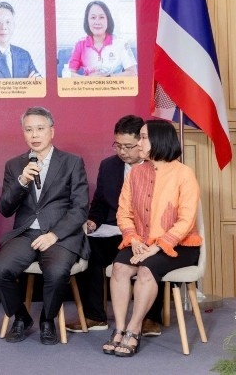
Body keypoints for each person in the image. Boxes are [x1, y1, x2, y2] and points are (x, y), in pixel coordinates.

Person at [0, 106, 89, 345]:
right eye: (28, 130)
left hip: (60, 235)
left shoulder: (71, 162)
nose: (34, 135)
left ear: (51, 131)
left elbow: (80, 208)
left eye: (40, 129)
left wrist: (54, 235)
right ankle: (21, 317)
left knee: (56, 272)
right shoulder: (15, 165)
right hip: (26, 233)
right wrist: (22, 181)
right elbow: (5, 209)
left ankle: (47, 319)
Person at [103, 120, 202, 357]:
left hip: (179, 245)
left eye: (144, 137)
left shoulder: (184, 174)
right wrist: (133, 239)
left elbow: (186, 220)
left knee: (146, 271)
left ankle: (134, 329)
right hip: (142, 242)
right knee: (119, 268)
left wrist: (158, 246)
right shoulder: (135, 173)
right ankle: (119, 329)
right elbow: (123, 213)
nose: (139, 142)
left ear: (159, 140)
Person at [65, 115, 163, 336]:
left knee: (151, 258)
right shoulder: (108, 166)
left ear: (142, 142)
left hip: (145, 234)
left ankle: (149, 318)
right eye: (118, 145)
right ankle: (94, 316)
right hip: (113, 231)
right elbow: (100, 202)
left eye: (128, 146)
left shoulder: (157, 167)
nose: (122, 151)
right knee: (87, 248)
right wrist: (93, 220)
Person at [67, 0, 136, 77]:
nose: (97, 22)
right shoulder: (80, 44)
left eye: (101, 17)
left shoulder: (121, 43)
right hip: (88, 85)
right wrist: (88, 79)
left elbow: (133, 73)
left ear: (108, 20)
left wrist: (108, 78)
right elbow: (68, 73)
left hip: (115, 84)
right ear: (87, 21)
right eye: (93, 17)